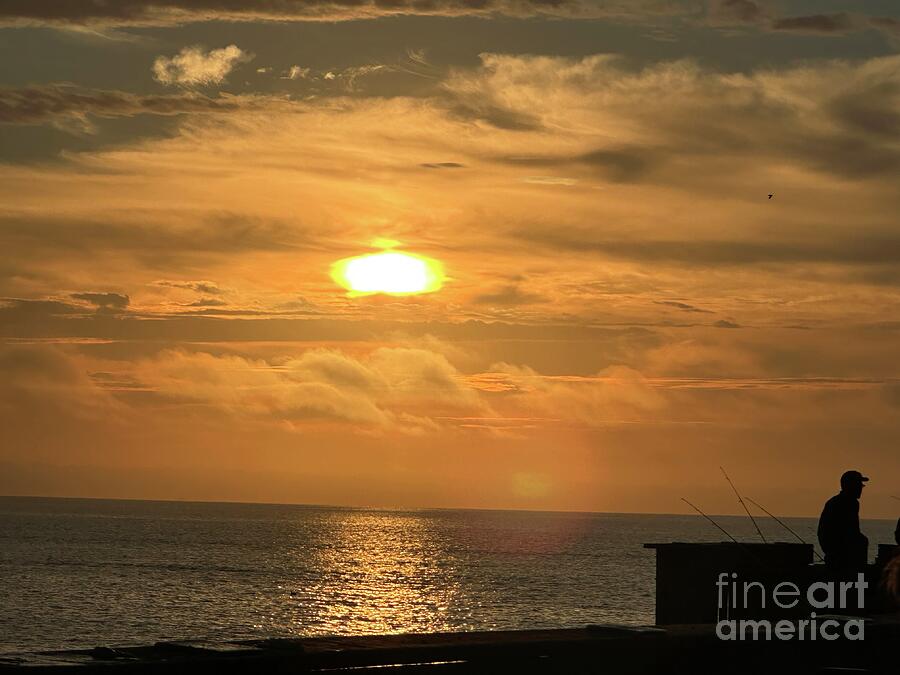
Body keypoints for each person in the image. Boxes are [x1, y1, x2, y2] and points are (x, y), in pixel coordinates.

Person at [817, 470, 869, 571]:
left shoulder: (835, 501)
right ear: (850, 486)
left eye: (861, 486)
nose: (860, 489)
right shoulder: (850, 503)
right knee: (862, 541)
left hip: (832, 549)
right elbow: (852, 531)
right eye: (858, 485)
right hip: (838, 551)